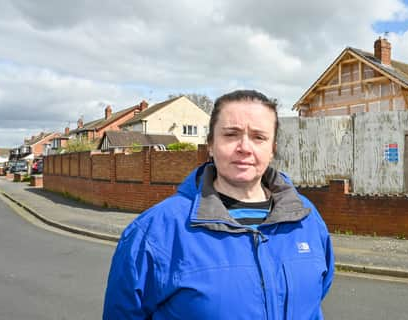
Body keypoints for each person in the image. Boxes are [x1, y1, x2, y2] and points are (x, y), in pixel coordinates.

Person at [103, 89, 335, 319]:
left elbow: (313, 302)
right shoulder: (155, 232)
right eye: (231, 134)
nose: (244, 147)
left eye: (259, 137)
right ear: (211, 145)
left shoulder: (307, 219)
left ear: (272, 149)